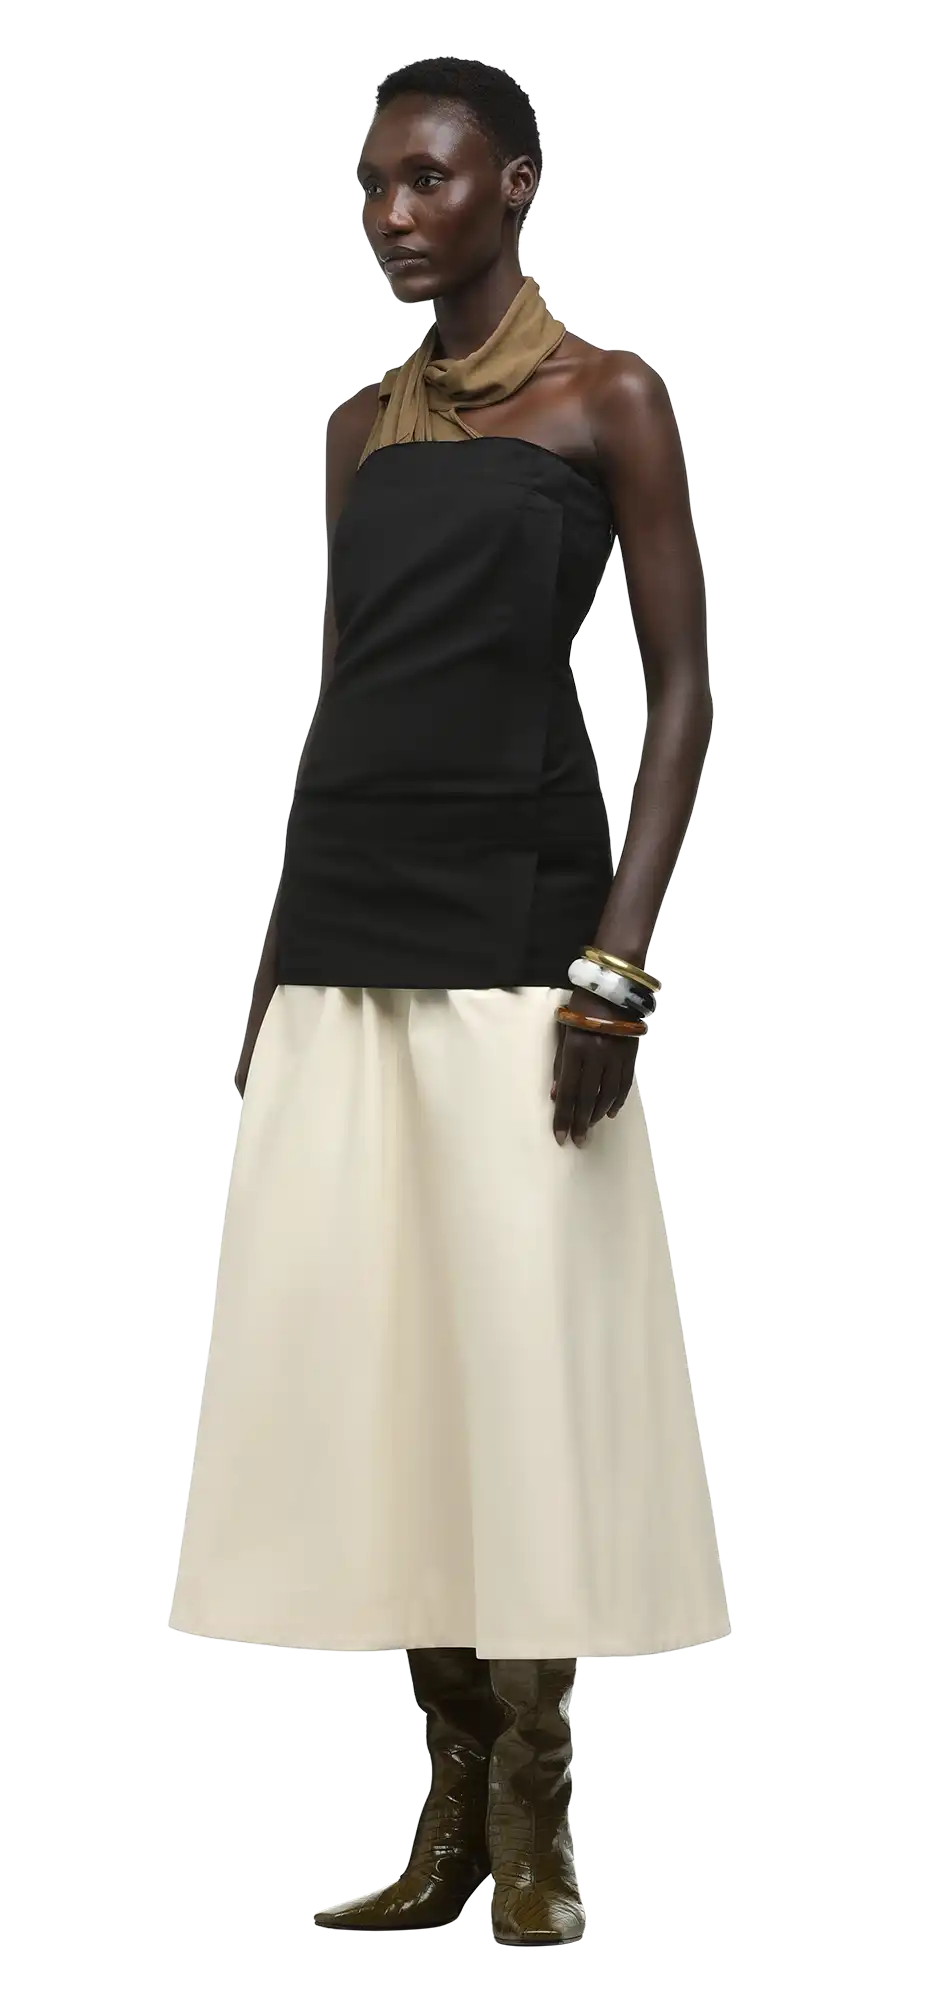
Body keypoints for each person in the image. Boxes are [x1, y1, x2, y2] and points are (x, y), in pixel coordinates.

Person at [167, 55, 733, 1948]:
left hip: (519, 933)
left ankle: (534, 1817)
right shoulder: (356, 431)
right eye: (368, 186)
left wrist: (617, 966)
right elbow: (346, 695)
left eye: (425, 180)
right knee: (393, 1372)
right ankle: (442, 1817)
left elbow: (679, 688)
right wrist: (266, 970)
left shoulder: (605, 398)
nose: (390, 217)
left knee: (519, 1371)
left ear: (515, 184)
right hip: (346, 929)